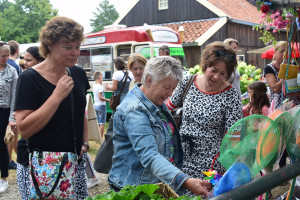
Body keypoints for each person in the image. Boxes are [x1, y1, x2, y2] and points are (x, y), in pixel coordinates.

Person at [108, 56, 211, 196]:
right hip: (133, 188)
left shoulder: (155, 101)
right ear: (149, 80)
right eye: (167, 87)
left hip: (152, 185)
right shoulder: (134, 110)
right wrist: (185, 180)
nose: (170, 94)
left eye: (173, 88)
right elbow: (149, 155)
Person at [15, 16, 89, 199]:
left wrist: (85, 143)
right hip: (45, 166)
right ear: (49, 46)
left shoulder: (78, 74)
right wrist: (56, 96)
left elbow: (81, 112)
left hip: (74, 163)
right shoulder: (29, 78)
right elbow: (24, 129)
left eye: (77, 47)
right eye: (68, 47)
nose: (75, 53)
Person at [166, 41, 243, 196]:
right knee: (179, 195)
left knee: (207, 196)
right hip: (182, 157)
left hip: (213, 165)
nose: (217, 77)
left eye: (223, 74)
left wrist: (228, 169)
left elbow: (234, 137)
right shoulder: (187, 82)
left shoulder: (231, 95)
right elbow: (167, 109)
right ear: (205, 65)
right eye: (213, 70)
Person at [0, 41, 18, 193]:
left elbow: (14, 96)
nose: (5, 58)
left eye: (7, 55)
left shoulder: (12, 71)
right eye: (2, 56)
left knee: (2, 144)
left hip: (5, 111)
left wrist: (12, 118)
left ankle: (4, 179)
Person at [93, 71, 109, 139]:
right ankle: (100, 138)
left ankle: (97, 137)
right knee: (102, 123)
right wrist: (109, 100)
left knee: (97, 123)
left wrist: (106, 89)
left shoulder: (94, 86)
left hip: (96, 105)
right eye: (102, 77)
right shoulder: (100, 87)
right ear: (99, 78)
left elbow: (99, 95)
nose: (102, 79)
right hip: (101, 106)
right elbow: (100, 97)